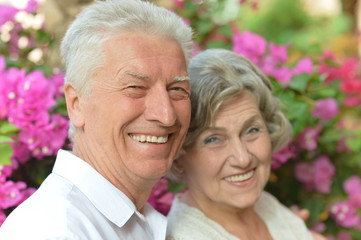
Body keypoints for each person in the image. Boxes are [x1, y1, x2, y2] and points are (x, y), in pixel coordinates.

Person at [0, 0, 193, 239]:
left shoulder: (140, 221)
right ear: (76, 104)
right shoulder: (55, 230)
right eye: (135, 87)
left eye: (177, 89)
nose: (166, 115)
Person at [166, 48, 315, 240]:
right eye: (213, 139)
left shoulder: (265, 205)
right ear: (178, 156)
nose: (243, 159)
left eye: (252, 130)